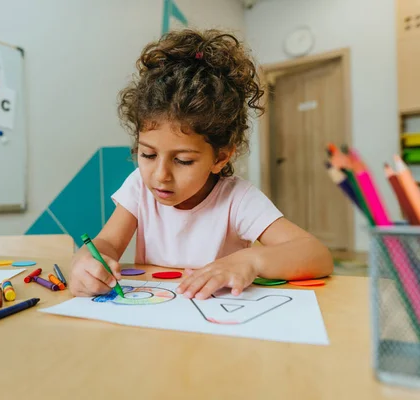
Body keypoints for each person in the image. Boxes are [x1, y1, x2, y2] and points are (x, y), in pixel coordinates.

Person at [69, 29, 333, 300]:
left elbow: (316, 255)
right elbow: (108, 243)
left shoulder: (237, 199)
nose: (160, 176)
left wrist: (250, 261)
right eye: (148, 155)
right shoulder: (139, 187)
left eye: (183, 160)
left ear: (220, 157)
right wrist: (86, 262)